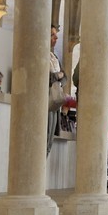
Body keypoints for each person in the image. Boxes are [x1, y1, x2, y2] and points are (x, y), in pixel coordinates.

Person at [47, 24, 66, 153]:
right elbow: (45, 77)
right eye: (52, 35)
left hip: (55, 100)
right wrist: (58, 76)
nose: (56, 37)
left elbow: (65, 77)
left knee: (50, 139)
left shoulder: (54, 57)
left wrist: (58, 76)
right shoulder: (41, 55)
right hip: (46, 99)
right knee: (44, 135)